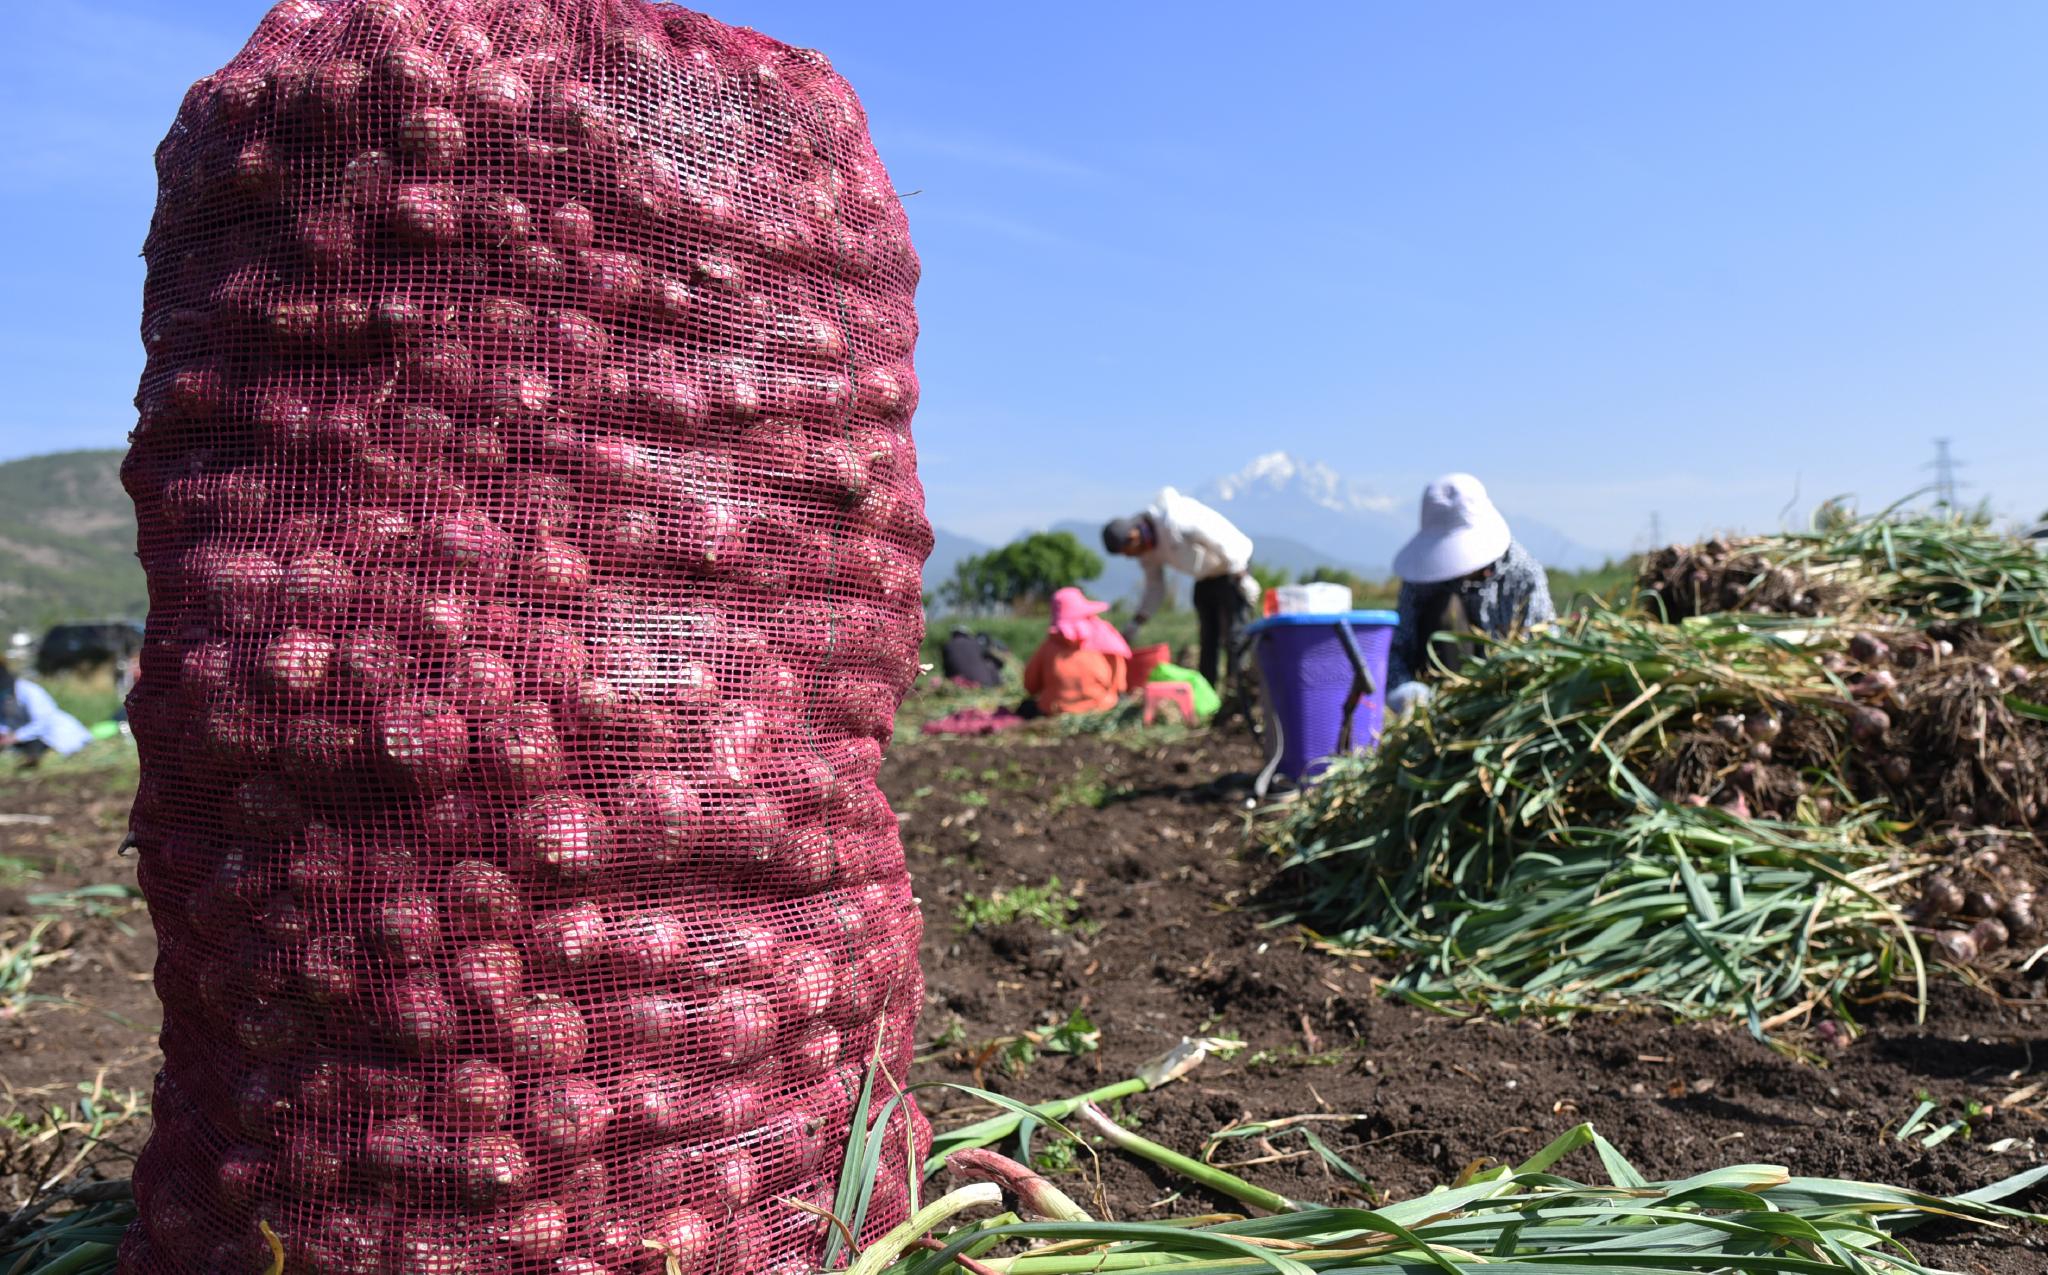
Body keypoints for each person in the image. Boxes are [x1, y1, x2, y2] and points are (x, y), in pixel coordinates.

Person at [1385, 474, 1556, 718]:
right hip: (1441, 689)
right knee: (1447, 608)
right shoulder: (1423, 580)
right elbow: (1396, 648)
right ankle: (1450, 709)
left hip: (1507, 693)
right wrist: (1405, 690)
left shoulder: (1523, 574)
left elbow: (1547, 640)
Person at [1102, 488, 1259, 690]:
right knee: (1207, 638)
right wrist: (1137, 621)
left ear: (1133, 536)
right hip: (1205, 575)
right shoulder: (1147, 551)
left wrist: (1241, 576)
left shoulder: (1175, 521)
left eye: (1127, 552)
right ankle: (1208, 693)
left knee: (1234, 636)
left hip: (1232, 566)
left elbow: (1221, 541)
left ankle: (1236, 691)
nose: (1129, 557)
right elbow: (1155, 587)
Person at [1021, 587, 1130, 717]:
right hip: (1100, 710)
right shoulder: (1106, 638)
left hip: (1055, 711)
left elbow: (1030, 685)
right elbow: (1120, 685)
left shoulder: (1048, 646)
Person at [0, 666, 93, 768]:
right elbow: (5, 719)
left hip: (54, 736)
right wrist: (4, 733)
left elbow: (43, 722)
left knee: (35, 752)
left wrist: (16, 736)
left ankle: (33, 760)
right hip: (28, 736)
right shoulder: (5, 694)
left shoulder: (30, 691)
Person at [939, 626, 1007, 688]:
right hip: (984, 683)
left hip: (962, 683)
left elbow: (946, 670)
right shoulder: (975, 643)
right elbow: (994, 659)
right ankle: (997, 685)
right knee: (990, 665)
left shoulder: (947, 646)